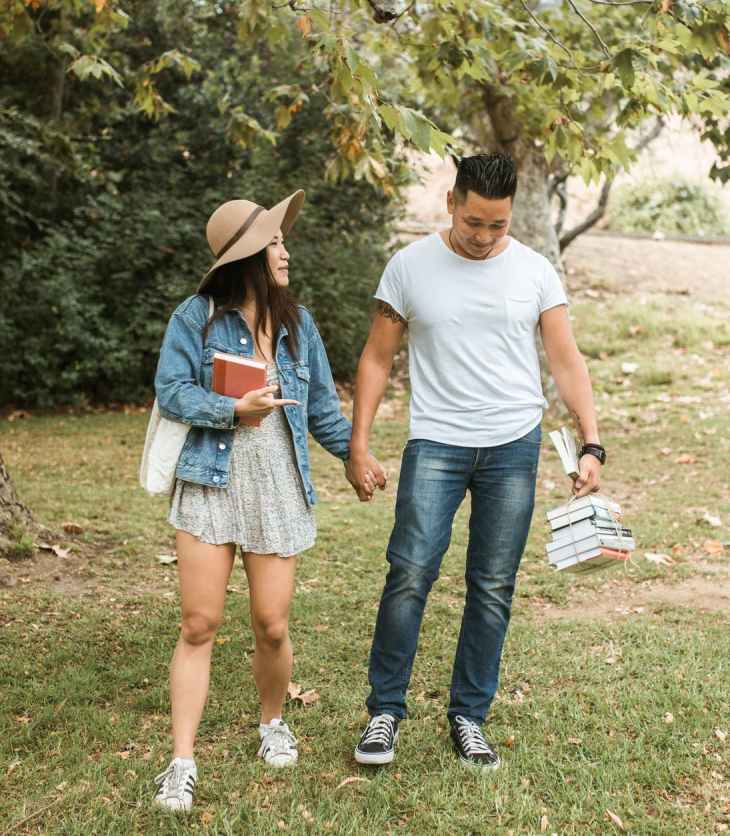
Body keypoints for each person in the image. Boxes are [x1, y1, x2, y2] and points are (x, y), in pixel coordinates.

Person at [348, 154, 606, 770]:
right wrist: (359, 443)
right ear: (450, 204)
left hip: (513, 446)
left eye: (498, 225)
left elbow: (565, 360)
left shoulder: (535, 271)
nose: (486, 237)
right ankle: (385, 711)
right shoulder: (409, 268)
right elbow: (376, 359)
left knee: (491, 586)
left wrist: (590, 440)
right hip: (435, 442)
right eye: (474, 223)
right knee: (409, 574)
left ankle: (469, 717)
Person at [151, 191, 385, 812]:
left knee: (271, 624)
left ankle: (272, 721)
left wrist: (354, 456)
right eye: (275, 243)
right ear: (249, 258)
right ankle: (181, 762)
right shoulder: (194, 319)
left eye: (282, 240)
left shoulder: (296, 325)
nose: (285, 251)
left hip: (279, 486)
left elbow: (320, 414)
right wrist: (231, 410)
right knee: (199, 624)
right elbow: (171, 391)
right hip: (210, 482)